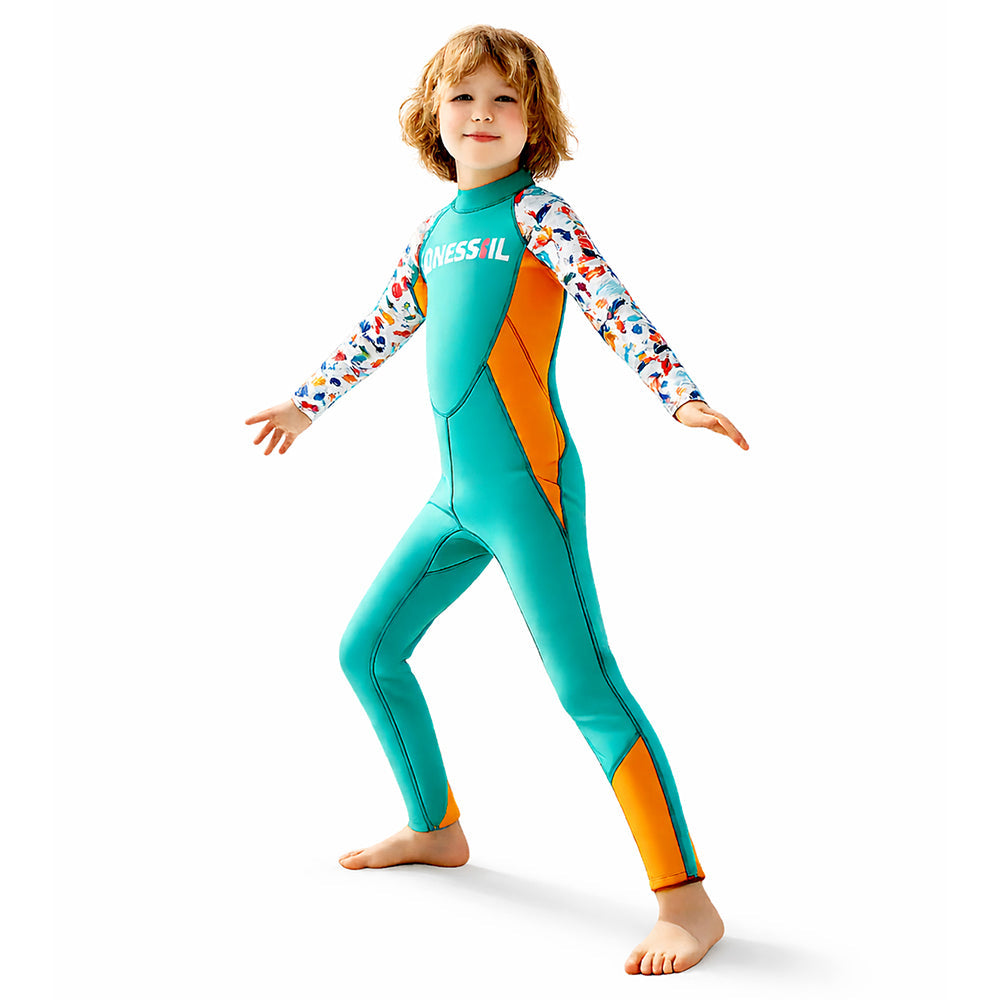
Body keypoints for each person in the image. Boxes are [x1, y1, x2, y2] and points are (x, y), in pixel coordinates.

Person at [245, 23, 748, 977]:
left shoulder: (539, 216)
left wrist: (679, 396)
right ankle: (435, 828)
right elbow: (383, 324)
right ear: (433, 115)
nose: (482, 114)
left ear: (535, 120)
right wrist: (306, 404)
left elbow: (612, 304)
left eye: (505, 99)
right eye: (463, 97)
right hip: (451, 499)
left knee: (586, 687)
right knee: (368, 650)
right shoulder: (434, 232)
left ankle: (687, 901)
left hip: (527, 494)